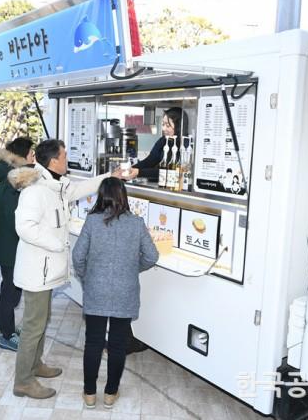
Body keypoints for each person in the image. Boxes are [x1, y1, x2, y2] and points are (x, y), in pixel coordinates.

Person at [12, 139, 115, 400]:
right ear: (53, 161)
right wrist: (57, 244)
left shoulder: (56, 185)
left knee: (41, 321)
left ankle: (35, 365)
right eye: (64, 155)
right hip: (37, 271)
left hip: (45, 271)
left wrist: (111, 176)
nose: (68, 158)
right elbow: (24, 227)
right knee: (33, 326)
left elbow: (79, 189)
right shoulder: (35, 190)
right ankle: (23, 381)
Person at [72, 177, 159, 409]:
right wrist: (132, 269)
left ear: (101, 196)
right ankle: (111, 393)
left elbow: (78, 257)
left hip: (96, 290)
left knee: (93, 343)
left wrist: (87, 276)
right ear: (123, 196)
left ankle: (89, 393)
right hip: (125, 291)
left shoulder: (92, 221)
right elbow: (152, 256)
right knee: (118, 345)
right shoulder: (136, 223)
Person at [0, 137, 35, 352]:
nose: (34, 157)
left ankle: (8, 329)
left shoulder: (10, 177)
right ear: (22, 157)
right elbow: (14, 220)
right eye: (31, 153)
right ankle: (6, 334)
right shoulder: (13, 183)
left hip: (8, 246)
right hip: (10, 248)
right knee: (10, 292)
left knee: (10, 290)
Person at [130, 107, 189, 181]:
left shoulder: (186, 145)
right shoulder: (163, 141)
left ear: (179, 126)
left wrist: (139, 172)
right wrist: (130, 169)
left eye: (168, 125)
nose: (163, 129)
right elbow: (149, 161)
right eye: (163, 124)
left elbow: (171, 172)